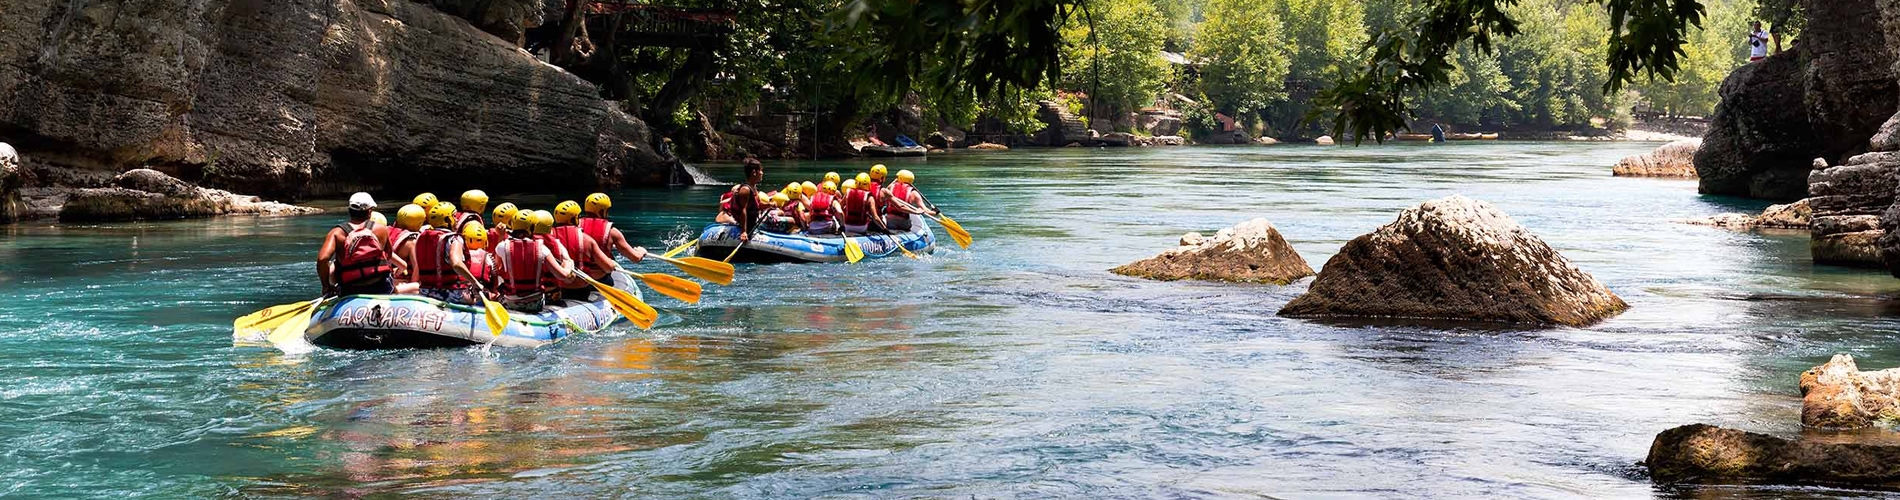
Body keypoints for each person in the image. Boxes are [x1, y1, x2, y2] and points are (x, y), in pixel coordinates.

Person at [317, 192, 399, 296]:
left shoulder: (337, 233)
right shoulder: (381, 229)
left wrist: (326, 286)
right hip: (381, 285)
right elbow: (389, 255)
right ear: (369, 211)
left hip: (351, 288)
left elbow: (322, 259)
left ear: (350, 210)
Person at [494, 210, 576, 313]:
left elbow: (497, 271)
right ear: (532, 228)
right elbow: (562, 275)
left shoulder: (501, 247)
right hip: (535, 303)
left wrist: (501, 236)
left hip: (511, 302)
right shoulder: (542, 249)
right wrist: (569, 264)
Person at [414, 203, 486, 305]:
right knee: (483, 297)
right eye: (454, 216)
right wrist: (475, 282)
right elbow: (456, 263)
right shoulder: (454, 239)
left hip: (425, 292)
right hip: (451, 293)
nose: (457, 220)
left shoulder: (421, 237)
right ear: (447, 220)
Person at [550, 201, 620, 302]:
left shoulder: (548, 239)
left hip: (557, 289)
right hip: (580, 290)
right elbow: (608, 268)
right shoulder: (587, 240)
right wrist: (613, 264)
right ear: (574, 218)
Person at [578, 193, 650, 272]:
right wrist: (642, 252)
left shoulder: (576, 227)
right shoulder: (612, 232)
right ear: (603, 211)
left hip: (579, 274)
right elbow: (635, 258)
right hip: (601, 277)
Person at [389, 203, 428, 294]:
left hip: (388, 278)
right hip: (401, 283)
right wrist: (413, 284)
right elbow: (416, 269)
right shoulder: (412, 242)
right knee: (420, 286)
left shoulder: (387, 231)